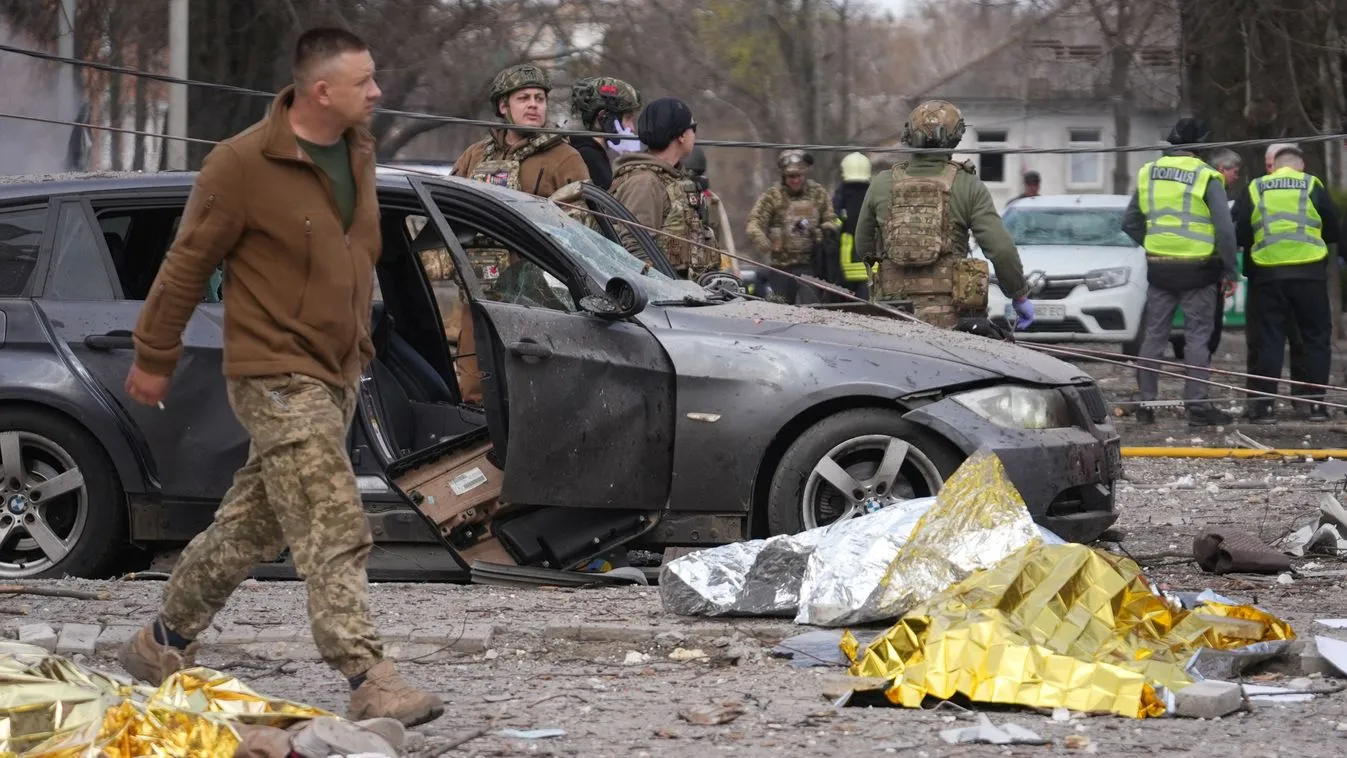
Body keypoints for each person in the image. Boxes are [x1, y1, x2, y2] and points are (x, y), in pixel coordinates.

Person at [118, 28, 443, 727]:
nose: (378, 92)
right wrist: (154, 354)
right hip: (273, 371)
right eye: (365, 81)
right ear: (321, 91)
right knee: (331, 516)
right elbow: (185, 264)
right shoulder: (238, 165)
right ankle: (366, 675)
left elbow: (354, 254)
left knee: (252, 524)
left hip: (335, 370)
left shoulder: (356, 149)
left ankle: (160, 642)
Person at [451, 63, 589, 403]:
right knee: (474, 390)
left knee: (530, 394)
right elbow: (446, 211)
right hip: (478, 294)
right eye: (523, 98)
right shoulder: (475, 155)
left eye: (539, 98)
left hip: (537, 303)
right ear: (503, 106)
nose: (533, 105)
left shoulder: (564, 158)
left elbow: (585, 231)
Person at [853, 99, 1033, 329]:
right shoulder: (967, 185)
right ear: (955, 137)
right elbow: (1001, 249)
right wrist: (1018, 295)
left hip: (891, 310)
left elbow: (863, 247)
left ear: (909, 135)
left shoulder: (882, 184)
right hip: (949, 314)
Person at [1121, 117, 1239, 427]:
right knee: (1198, 337)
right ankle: (1198, 407)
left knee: (1154, 336)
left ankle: (1146, 403)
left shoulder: (1149, 173)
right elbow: (1225, 229)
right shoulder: (1206, 176)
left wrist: (1155, 243)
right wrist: (1230, 269)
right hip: (1198, 270)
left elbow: (1129, 222)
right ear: (1200, 145)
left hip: (1160, 267)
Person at [1234, 144, 1341, 422]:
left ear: (1275, 165)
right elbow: (1332, 226)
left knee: (1269, 340)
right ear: (1300, 165)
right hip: (1309, 274)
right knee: (1315, 339)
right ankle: (1316, 406)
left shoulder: (1256, 187)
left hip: (1268, 274)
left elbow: (1242, 231)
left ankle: (1264, 408)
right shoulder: (1311, 185)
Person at [609, 97, 718, 278]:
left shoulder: (668, 178)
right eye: (693, 128)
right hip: (659, 298)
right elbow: (636, 251)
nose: (695, 134)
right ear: (682, 136)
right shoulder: (644, 182)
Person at [1170, 147, 1242, 361]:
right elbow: (1225, 232)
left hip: (1173, 264)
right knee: (1205, 330)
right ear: (1222, 169)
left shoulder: (1186, 187)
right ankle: (1198, 380)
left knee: (1164, 331)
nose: (1236, 178)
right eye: (1235, 172)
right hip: (1207, 267)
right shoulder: (1212, 187)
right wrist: (1230, 270)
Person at [745, 149, 840, 304]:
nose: (795, 180)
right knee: (780, 311)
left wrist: (824, 233)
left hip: (810, 266)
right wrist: (760, 237)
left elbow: (831, 219)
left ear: (805, 175)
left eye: (798, 176)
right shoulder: (773, 195)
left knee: (813, 310)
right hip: (781, 267)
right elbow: (753, 222)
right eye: (790, 177)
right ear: (784, 176)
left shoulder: (818, 193)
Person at [568, 76, 642, 190]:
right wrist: (631, 159)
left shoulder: (595, 153)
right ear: (604, 117)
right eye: (628, 118)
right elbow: (620, 203)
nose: (632, 128)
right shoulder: (589, 157)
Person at [682, 145, 738, 273]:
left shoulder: (712, 201)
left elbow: (722, 237)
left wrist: (733, 268)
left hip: (706, 265)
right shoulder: (671, 196)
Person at [832, 151, 872, 299]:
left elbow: (834, 222)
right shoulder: (872, 192)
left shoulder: (841, 193)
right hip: (871, 263)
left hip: (846, 261)